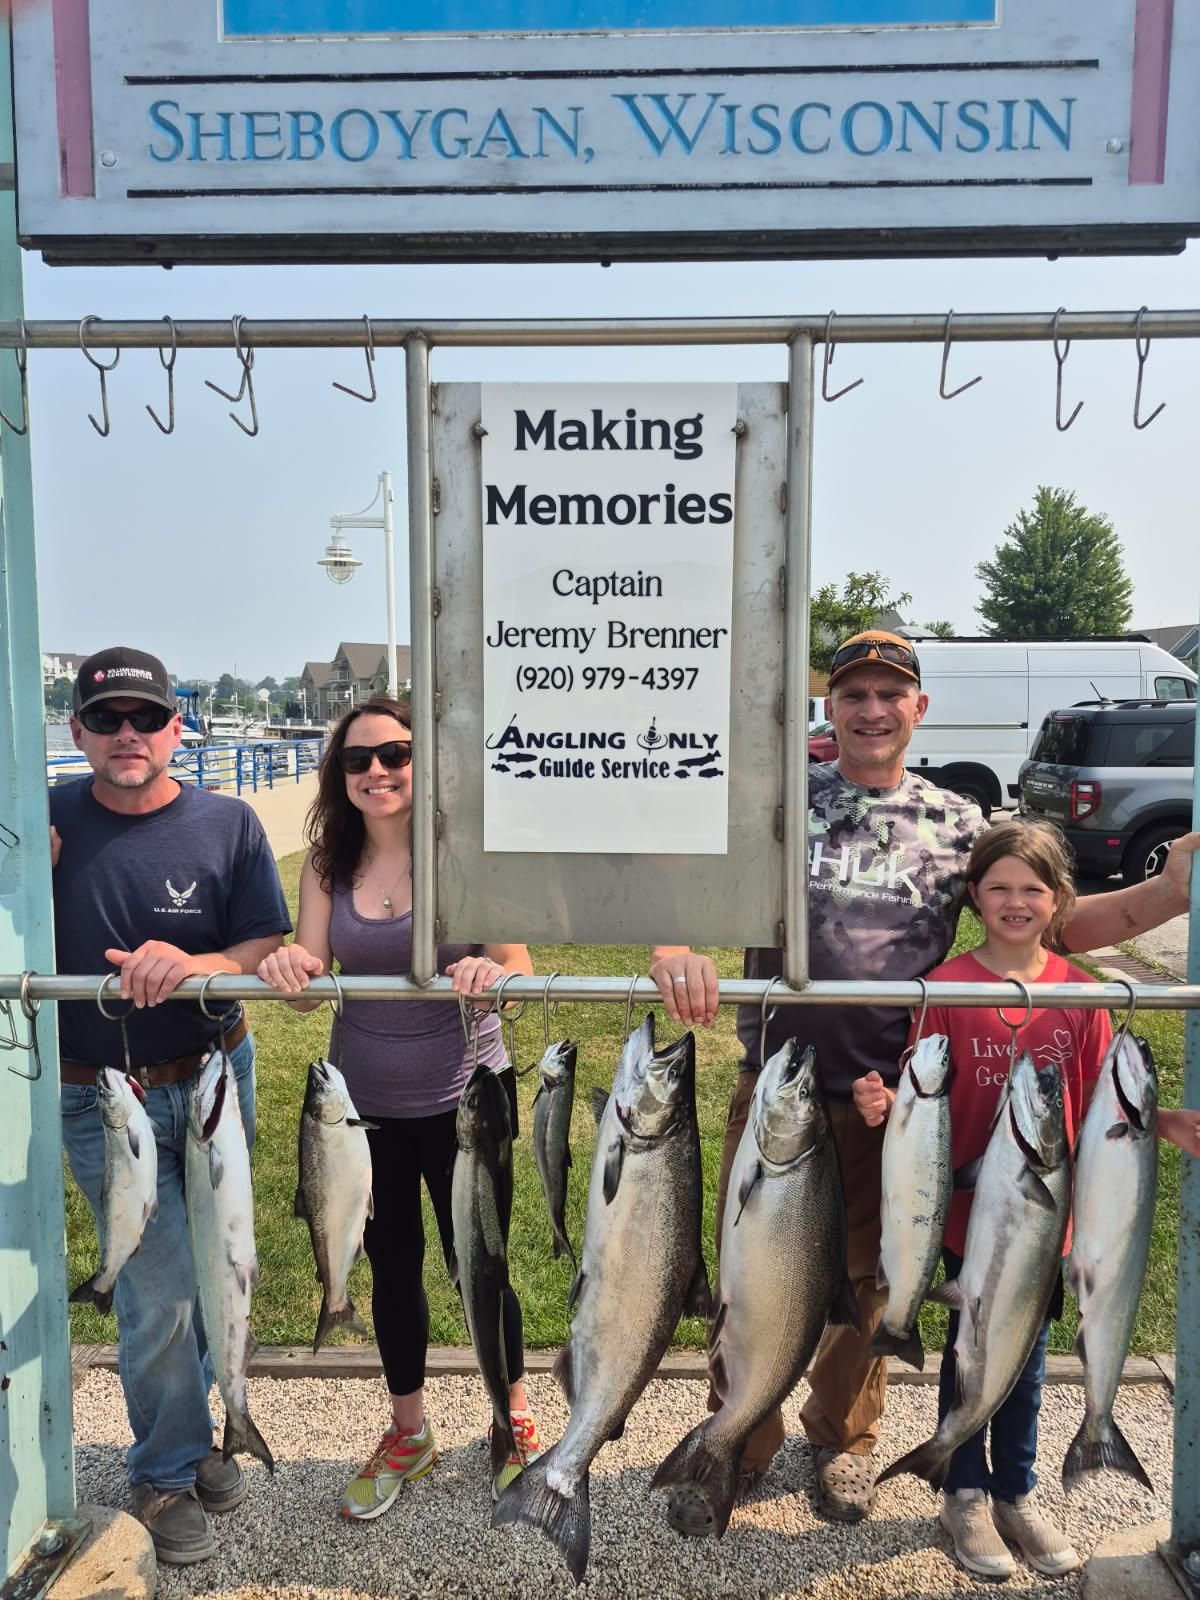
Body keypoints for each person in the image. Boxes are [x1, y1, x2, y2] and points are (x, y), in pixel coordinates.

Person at [649, 628, 1200, 1530]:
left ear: (918, 710)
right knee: (754, 1275)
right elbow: (681, 881)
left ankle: (842, 1442)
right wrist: (673, 944)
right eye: (855, 695)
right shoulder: (777, 808)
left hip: (895, 1099)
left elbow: (1050, 919)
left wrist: (1170, 893)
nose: (872, 711)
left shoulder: (957, 823)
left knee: (872, 1279)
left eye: (889, 695)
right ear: (831, 708)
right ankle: (739, 1438)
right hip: (779, 1084)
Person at [256, 695, 544, 1519]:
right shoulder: (324, 864)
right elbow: (310, 975)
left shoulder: (467, 857)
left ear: (423, 764)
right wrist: (289, 969)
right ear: (338, 775)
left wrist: (493, 977)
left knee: (479, 1263)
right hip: (365, 1111)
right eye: (357, 760)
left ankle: (512, 1417)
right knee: (392, 1268)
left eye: (393, 755)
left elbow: (517, 971)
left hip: (466, 1103)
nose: (376, 771)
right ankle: (408, 1432)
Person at [52, 646, 292, 1567]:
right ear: (76, 730)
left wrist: (194, 967)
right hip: (99, 1096)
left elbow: (263, 942)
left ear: (176, 730)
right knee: (152, 1291)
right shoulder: (46, 815)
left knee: (215, 1263)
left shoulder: (227, 822)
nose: (127, 735)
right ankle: (162, 1469)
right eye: (106, 719)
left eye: (146, 719)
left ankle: (196, 1432)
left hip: (215, 1075)